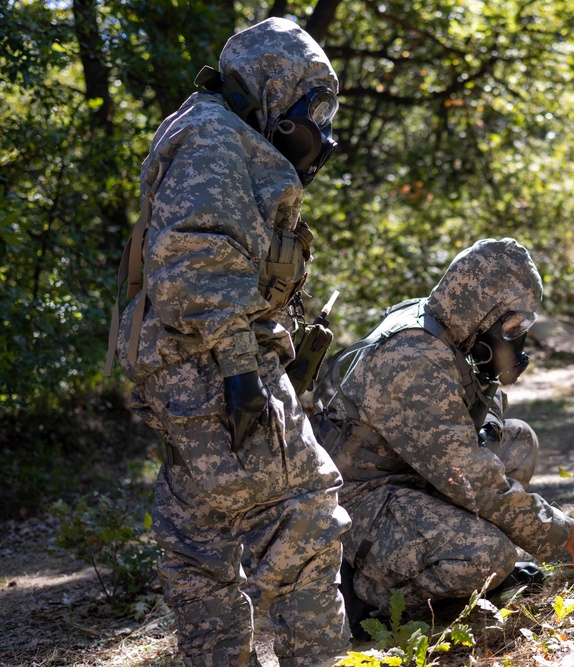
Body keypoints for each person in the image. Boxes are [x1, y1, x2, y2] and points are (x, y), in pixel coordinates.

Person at [106, 18, 351, 666]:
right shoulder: (214, 137)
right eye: (312, 109)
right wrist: (244, 375)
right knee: (306, 520)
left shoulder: (212, 130)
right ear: (274, 89)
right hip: (217, 367)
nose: (320, 131)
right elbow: (196, 264)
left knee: (200, 544)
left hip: (187, 370)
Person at [312, 238, 574, 636]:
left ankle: (448, 571)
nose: (518, 337)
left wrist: (494, 373)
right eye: (513, 325)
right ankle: (370, 596)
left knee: (518, 441)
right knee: (489, 556)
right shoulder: (414, 358)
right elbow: (471, 479)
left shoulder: (450, 328)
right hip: (359, 500)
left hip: (409, 475)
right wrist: (558, 532)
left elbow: (470, 426)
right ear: (482, 308)